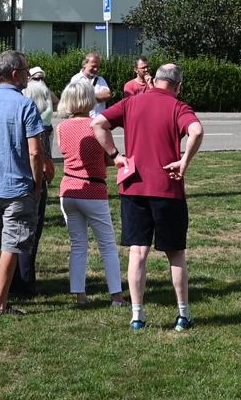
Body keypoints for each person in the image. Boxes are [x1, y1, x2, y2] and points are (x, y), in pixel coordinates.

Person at [92, 63, 203, 331]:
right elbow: (196, 131)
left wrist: (116, 156)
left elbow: (98, 123)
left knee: (138, 252)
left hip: (134, 187)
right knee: (175, 253)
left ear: (155, 81)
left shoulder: (132, 102)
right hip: (168, 187)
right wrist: (184, 161)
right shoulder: (179, 107)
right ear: (178, 85)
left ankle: (137, 317)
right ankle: (183, 315)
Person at [0, 49, 45, 317]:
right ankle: (1, 304)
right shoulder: (25, 105)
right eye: (26, 71)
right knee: (12, 244)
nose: (28, 76)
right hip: (18, 186)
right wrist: (37, 185)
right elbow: (35, 151)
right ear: (16, 74)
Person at [57, 79, 125, 306]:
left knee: (78, 244)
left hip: (68, 189)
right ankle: (116, 295)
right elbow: (108, 158)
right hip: (94, 188)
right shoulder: (97, 125)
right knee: (107, 244)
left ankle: (80, 294)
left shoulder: (62, 127)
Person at [13, 65, 58, 296]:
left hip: (11, 181)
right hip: (32, 185)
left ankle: (10, 282)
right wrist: (46, 179)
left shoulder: (15, 119)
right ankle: (26, 284)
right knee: (30, 237)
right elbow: (45, 163)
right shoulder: (38, 127)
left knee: (10, 236)